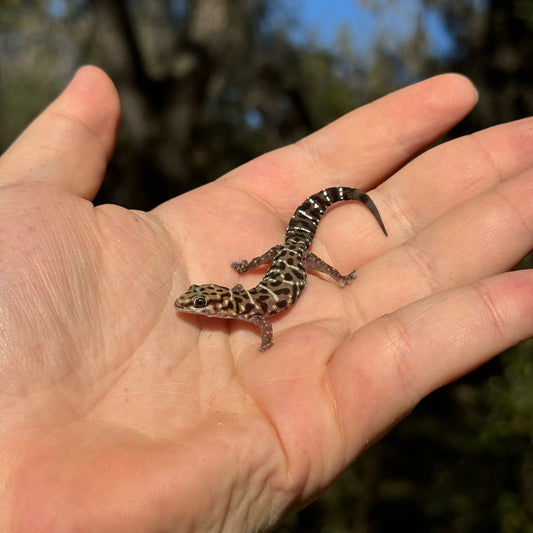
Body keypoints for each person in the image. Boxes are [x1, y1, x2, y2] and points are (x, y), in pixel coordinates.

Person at [0, 65, 532, 533]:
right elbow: (255, 306)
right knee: (290, 251)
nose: (195, 309)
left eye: (200, 304)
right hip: (280, 258)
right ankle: (330, 226)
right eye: (199, 304)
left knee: (299, 252)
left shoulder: (254, 311)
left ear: (222, 306)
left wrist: (330, 280)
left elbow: (267, 319)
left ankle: (340, 241)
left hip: (292, 256)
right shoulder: (248, 305)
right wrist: (251, 278)